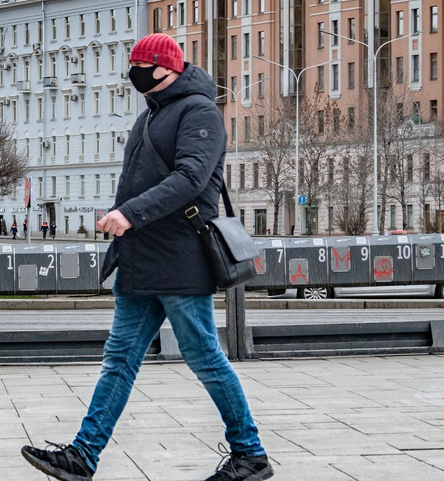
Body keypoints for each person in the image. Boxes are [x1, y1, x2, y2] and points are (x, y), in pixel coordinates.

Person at [22, 33, 271, 481]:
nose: (133, 74)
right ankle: (84, 454)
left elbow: (191, 179)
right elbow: (133, 185)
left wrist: (130, 215)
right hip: (141, 261)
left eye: (141, 66)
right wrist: (122, 233)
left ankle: (250, 454)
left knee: (205, 358)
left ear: (167, 68)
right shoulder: (150, 116)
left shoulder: (200, 112)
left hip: (179, 260)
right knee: (118, 359)